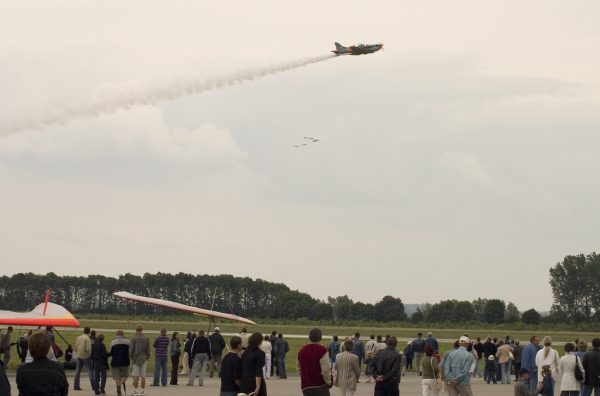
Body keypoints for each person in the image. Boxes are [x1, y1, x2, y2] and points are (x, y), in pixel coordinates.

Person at [16, 330, 69, 396]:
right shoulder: (58, 368)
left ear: (30, 348)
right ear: (48, 348)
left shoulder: (22, 370)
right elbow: (64, 390)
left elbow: (21, 390)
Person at [298, 328, 331, 396]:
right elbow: (325, 370)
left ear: (309, 337)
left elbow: (299, 369)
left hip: (306, 387)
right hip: (320, 386)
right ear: (320, 338)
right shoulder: (322, 350)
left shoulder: (301, 350)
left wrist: (305, 379)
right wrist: (328, 382)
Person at [130, 324, 151, 396]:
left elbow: (131, 350)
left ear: (136, 330)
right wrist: (147, 357)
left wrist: (131, 357)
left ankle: (135, 392)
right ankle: (142, 392)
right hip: (144, 358)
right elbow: (148, 350)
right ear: (142, 330)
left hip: (136, 359)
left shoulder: (133, 338)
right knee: (143, 376)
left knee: (136, 376)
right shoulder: (146, 338)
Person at [109, 330, 130, 396]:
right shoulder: (128, 342)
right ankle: (120, 384)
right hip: (125, 361)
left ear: (117, 335)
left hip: (115, 362)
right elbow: (130, 351)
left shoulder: (113, 342)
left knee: (117, 377)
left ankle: (119, 391)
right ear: (123, 335)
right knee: (125, 375)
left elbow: (111, 352)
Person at [74, 326, 94, 391]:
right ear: (89, 331)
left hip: (79, 355)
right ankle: (94, 386)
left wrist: (77, 353)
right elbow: (88, 348)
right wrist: (89, 355)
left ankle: (76, 386)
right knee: (90, 371)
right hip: (85, 356)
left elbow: (76, 346)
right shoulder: (87, 338)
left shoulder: (79, 337)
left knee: (77, 371)